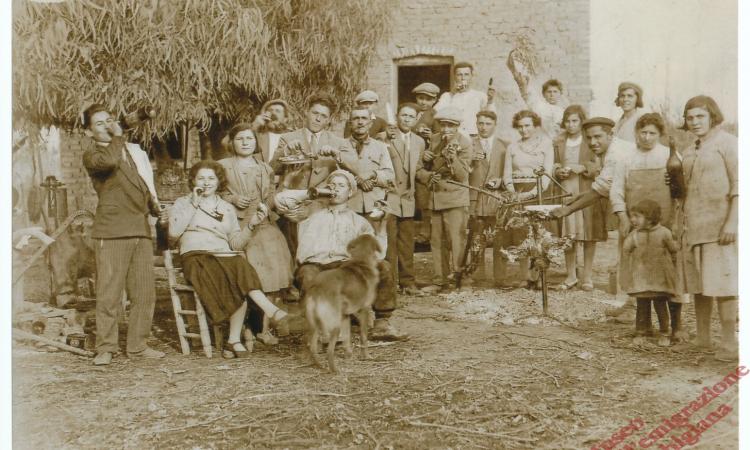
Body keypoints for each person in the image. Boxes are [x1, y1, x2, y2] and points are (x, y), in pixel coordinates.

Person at [169, 160, 290, 358]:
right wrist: (194, 203)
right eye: (201, 178)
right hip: (196, 257)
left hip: (224, 257)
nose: (206, 183)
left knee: (239, 265)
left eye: (211, 178)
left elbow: (234, 243)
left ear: (218, 182)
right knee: (236, 270)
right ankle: (269, 311)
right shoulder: (183, 203)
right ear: (193, 181)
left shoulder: (226, 208)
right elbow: (174, 233)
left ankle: (233, 341)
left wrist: (251, 225)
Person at [82, 103, 166, 366]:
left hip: (139, 229)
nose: (107, 125)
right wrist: (118, 136)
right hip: (112, 230)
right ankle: (105, 347)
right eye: (99, 123)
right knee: (110, 293)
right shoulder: (93, 153)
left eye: (110, 120)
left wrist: (153, 205)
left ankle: (137, 347)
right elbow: (109, 163)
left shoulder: (129, 152)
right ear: (88, 132)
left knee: (144, 292)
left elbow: (139, 182)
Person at [279, 170, 407, 341]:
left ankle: (382, 324)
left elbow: (378, 254)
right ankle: (323, 327)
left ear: (350, 192)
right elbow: (282, 201)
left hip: (345, 267)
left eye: (341, 185)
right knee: (308, 275)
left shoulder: (358, 221)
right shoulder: (309, 214)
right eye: (331, 185)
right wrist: (309, 193)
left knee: (383, 266)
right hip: (316, 265)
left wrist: (382, 224)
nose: (335, 189)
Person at [671, 96, 737, 361]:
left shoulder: (729, 144)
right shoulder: (689, 151)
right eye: (690, 118)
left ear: (712, 116)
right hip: (693, 227)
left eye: (700, 116)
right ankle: (703, 338)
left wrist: (733, 222)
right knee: (699, 285)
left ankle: (731, 343)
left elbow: (740, 186)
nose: (695, 122)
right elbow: (682, 193)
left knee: (724, 284)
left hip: (720, 227)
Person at [550, 117, 637, 317]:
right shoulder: (610, 151)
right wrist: (572, 202)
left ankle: (634, 307)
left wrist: (567, 210)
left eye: (598, 136)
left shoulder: (616, 154)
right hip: (629, 204)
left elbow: (599, 190)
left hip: (641, 204)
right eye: (589, 138)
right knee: (627, 254)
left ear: (610, 135)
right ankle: (630, 304)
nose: (593, 142)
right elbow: (599, 188)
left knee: (633, 255)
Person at [218, 124, 294, 345]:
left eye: (249, 138)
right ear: (232, 142)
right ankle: (242, 327)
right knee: (243, 275)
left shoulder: (264, 168)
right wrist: (231, 199)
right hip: (235, 226)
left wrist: (281, 194)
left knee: (270, 274)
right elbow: (213, 191)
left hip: (263, 224)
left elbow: (269, 197)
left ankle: (263, 328)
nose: (245, 142)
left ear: (255, 142)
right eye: (240, 138)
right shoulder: (222, 166)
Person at [270, 94, 358, 255]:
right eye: (315, 113)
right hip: (292, 211)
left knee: (316, 256)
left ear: (329, 119)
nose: (318, 119)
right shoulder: (288, 138)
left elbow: (358, 169)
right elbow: (271, 170)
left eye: (323, 116)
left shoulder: (337, 142)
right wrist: (285, 150)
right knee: (291, 255)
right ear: (307, 112)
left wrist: (337, 154)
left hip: (322, 210)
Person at [416, 106, 472, 292]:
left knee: (457, 240)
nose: (446, 129)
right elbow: (422, 168)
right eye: (444, 125)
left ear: (457, 127)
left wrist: (452, 158)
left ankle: (461, 279)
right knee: (437, 240)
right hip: (435, 195)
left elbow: (462, 175)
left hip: (455, 197)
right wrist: (425, 161)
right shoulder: (433, 139)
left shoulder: (465, 143)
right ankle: (439, 280)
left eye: (451, 126)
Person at [553, 105, 605, 291]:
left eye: (575, 121)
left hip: (586, 189)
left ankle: (587, 277)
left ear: (581, 122)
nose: (571, 124)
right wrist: (558, 170)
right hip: (566, 189)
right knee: (569, 234)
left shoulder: (590, 140)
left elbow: (599, 165)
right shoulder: (559, 141)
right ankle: (571, 275)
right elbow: (554, 163)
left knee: (588, 235)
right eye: (567, 121)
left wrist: (582, 168)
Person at [503, 110, 554, 288]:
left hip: (538, 193)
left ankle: (539, 277)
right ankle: (524, 276)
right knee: (521, 235)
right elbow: (507, 174)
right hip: (517, 193)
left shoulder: (546, 144)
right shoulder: (512, 147)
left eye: (527, 126)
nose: (524, 130)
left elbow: (547, 174)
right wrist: (514, 193)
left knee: (539, 235)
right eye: (520, 126)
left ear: (536, 126)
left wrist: (532, 193)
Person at [621, 200, 679, 347]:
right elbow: (626, 249)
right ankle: (642, 332)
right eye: (631, 216)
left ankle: (665, 333)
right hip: (641, 278)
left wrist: (672, 268)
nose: (632, 220)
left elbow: (674, 250)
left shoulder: (664, 233)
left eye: (637, 216)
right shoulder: (634, 235)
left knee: (660, 305)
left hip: (660, 278)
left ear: (650, 217)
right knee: (642, 305)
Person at [464, 110, 510, 287]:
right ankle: (478, 276)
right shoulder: (469, 144)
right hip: (475, 197)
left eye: (488, 124)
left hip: (496, 198)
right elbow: (462, 168)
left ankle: (500, 277)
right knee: (477, 237)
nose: (483, 127)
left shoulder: (504, 146)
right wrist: (470, 160)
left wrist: (501, 181)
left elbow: (508, 171)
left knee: (500, 238)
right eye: (480, 123)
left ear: (495, 125)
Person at [385, 103, 424, 295]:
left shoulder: (419, 142)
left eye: (411, 116)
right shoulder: (386, 138)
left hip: (408, 199)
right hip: (390, 197)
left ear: (417, 120)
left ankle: (408, 283)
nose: (406, 119)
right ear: (397, 117)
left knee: (407, 242)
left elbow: (418, 169)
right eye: (403, 115)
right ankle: (390, 284)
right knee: (389, 243)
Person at [347, 106, 395, 217]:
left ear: (370, 123)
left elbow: (390, 176)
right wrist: (359, 181)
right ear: (350, 123)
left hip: (374, 207)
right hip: (349, 206)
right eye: (356, 118)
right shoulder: (340, 146)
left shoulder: (380, 147)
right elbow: (336, 174)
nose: (360, 122)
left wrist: (373, 175)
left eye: (364, 118)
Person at [411, 82, 441, 245]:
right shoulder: (411, 113)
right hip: (410, 157)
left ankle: (426, 232)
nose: (423, 102)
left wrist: (431, 136)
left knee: (424, 199)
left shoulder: (435, 116)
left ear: (434, 100)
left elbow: (441, 139)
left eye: (428, 99)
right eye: (420, 98)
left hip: (425, 162)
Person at [434, 62, 496, 137]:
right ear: (454, 77)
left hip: (473, 136)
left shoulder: (480, 95)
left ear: (471, 76)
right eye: (459, 75)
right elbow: (435, 113)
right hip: (453, 137)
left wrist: (490, 101)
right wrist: (453, 93)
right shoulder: (447, 96)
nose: (463, 78)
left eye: (466, 74)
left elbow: (491, 116)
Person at [251, 98, 291, 164]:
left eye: (277, 111)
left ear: (285, 119)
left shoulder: (292, 136)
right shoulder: (255, 135)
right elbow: (229, 148)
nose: (273, 113)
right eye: (270, 110)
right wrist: (254, 126)